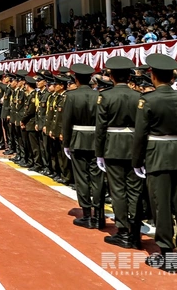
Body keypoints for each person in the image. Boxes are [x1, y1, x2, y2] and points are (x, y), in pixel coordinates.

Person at [133, 53, 177, 271]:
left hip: (157, 155)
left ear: (153, 76)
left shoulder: (147, 100)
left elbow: (140, 134)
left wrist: (137, 160)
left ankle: (167, 252)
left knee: (161, 207)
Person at [95, 56, 143, 249]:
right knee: (134, 190)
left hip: (113, 146)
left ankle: (123, 231)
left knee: (118, 191)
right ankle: (135, 231)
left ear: (112, 76)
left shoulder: (105, 96)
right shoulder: (139, 96)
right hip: (134, 146)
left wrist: (99, 152)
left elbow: (101, 128)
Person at [62, 63, 105, 229]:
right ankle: (99, 216)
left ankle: (87, 215)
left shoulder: (71, 96)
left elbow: (66, 122)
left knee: (82, 178)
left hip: (78, 139)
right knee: (97, 178)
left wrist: (66, 142)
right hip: (96, 140)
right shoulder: (99, 96)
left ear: (76, 79)